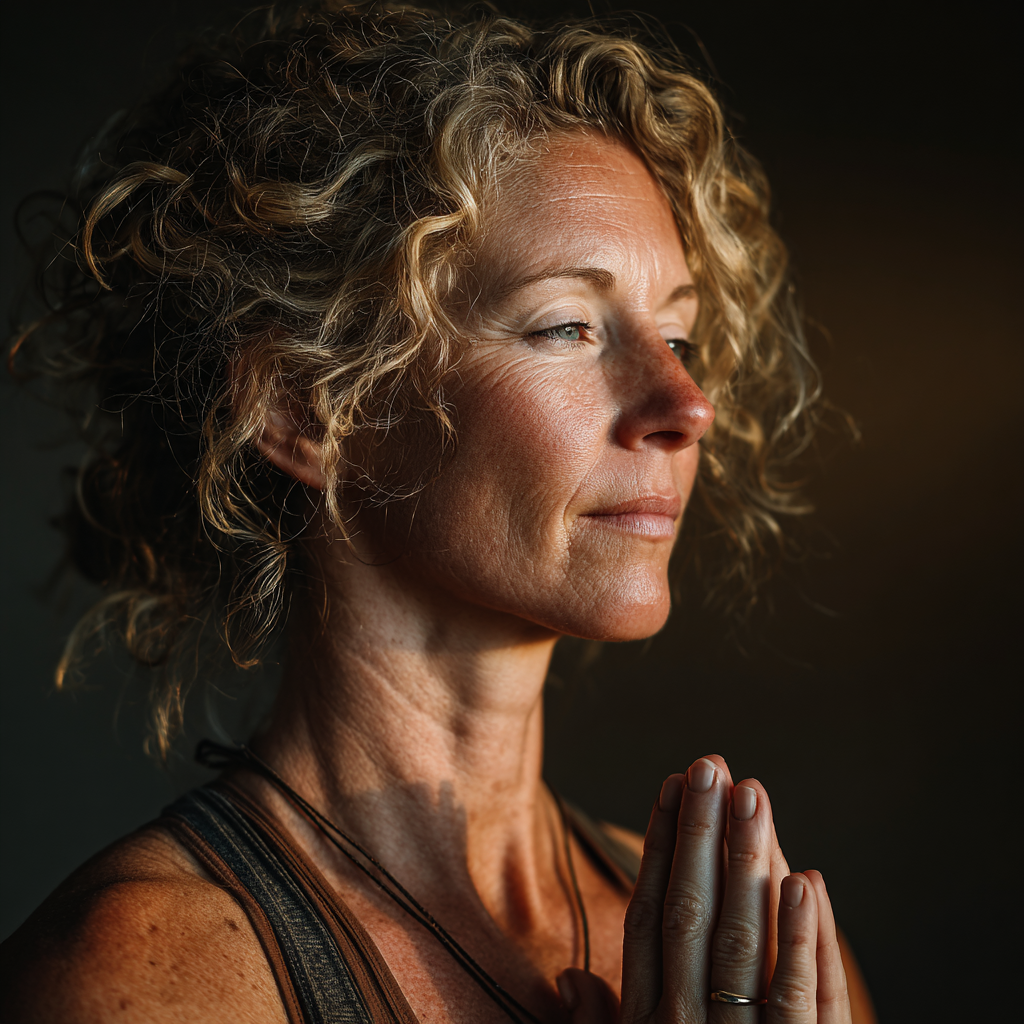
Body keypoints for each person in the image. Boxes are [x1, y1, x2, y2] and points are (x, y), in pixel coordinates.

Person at [1, 3, 875, 1021]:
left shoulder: (757, 954)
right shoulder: (141, 975)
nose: (684, 405)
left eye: (677, 338)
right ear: (306, 406)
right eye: (566, 326)